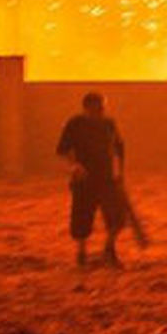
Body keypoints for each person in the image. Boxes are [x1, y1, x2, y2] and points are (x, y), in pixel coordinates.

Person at [57, 92, 127, 268]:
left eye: (103, 107)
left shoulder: (109, 124)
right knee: (82, 217)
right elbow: (63, 149)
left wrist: (120, 172)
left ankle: (109, 250)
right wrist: (74, 166)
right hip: (84, 179)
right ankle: (81, 254)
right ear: (87, 107)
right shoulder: (75, 124)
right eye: (99, 107)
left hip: (107, 178)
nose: (102, 110)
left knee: (117, 216)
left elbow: (119, 148)